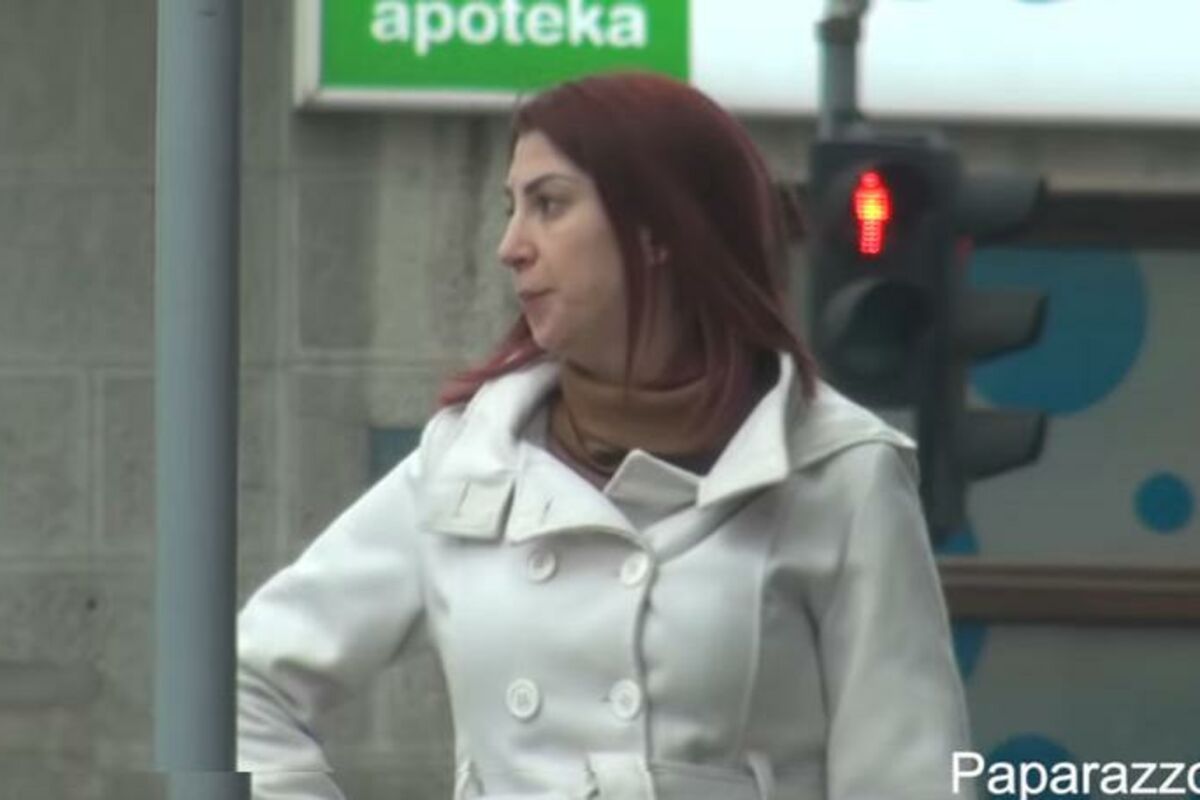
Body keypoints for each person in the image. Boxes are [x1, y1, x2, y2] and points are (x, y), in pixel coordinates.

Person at [237, 71, 975, 800]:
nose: (510, 247)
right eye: (512, 209)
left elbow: (911, 775)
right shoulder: (468, 459)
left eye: (549, 205)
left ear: (658, 230)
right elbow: (244, 684)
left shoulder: (837, 470)